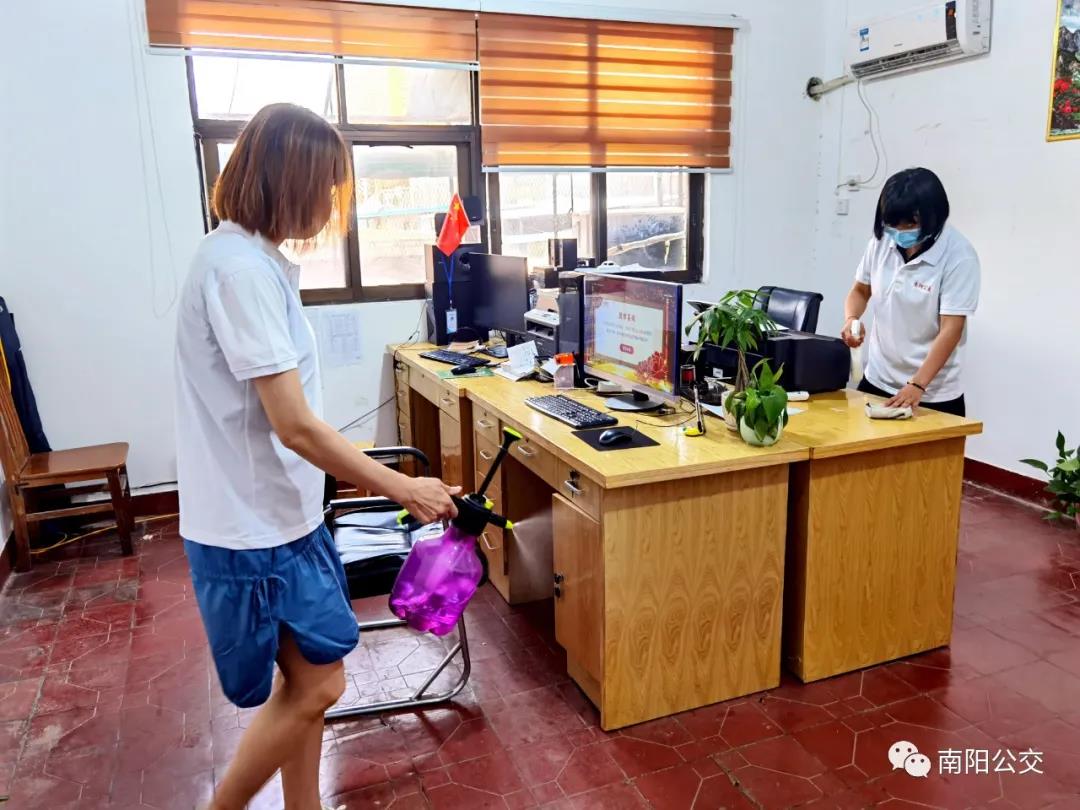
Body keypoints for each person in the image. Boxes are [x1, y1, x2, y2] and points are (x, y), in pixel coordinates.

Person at [175, 103, 460, 810]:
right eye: (326, 188)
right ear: (288, 182)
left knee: (306, 682)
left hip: (280, 514)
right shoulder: (238, 270)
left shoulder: (252, 260)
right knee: (322, 683)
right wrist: (402, 487)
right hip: (253, 529)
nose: (333, 207)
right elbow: (295, 425)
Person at [841, 168, 980, 417]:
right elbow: (860, 290)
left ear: (934, 216)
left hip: (932, 393)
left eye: (910, 224)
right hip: (878, 379)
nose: (900, 231)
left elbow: (951, 329)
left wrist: (918, 384)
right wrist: (852, 319)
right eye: (893, 224)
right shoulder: (881, 242)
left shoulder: (959, 256)